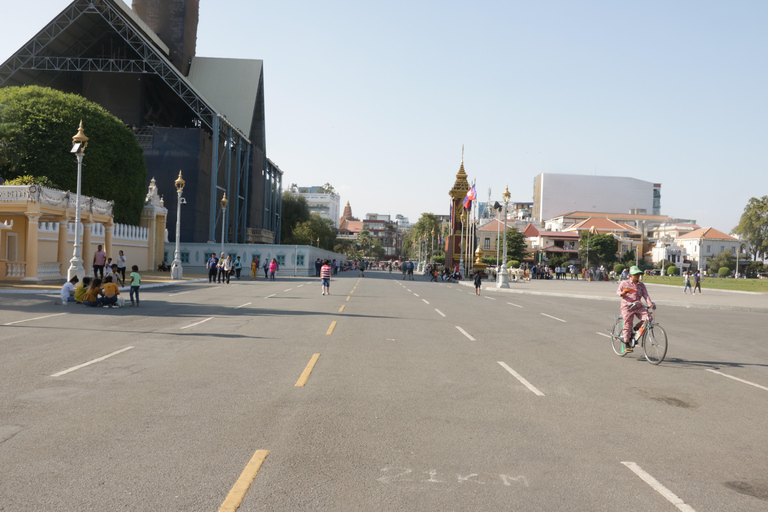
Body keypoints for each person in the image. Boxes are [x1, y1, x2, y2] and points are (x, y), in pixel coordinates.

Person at [616, 266, 655, 353]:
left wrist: (650, 304)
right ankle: (626, 343)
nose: (638, 276)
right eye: (635, 274)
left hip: (638, 306)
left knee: (649, 318)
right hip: (627, 306)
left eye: (638, 274)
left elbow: (646, 296)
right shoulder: (624, 283)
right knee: (627, 324)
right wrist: (623, 293)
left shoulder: (641, 285)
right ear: (630, 275)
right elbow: (618, 292)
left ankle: (636, 328)